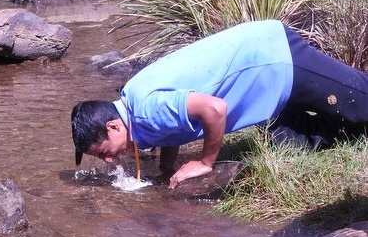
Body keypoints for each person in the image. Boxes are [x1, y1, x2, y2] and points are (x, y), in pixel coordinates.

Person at [71, 19, 368, 189]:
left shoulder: (145, 108)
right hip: (267, 79)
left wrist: (204, 163)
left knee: (361, 104)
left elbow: (214, 109)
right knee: (306, 141)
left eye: (105, 153)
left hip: (274, 57)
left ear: (112, 126)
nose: (110, 161)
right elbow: (172, 126)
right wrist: (165, 169)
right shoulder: (131, 107)